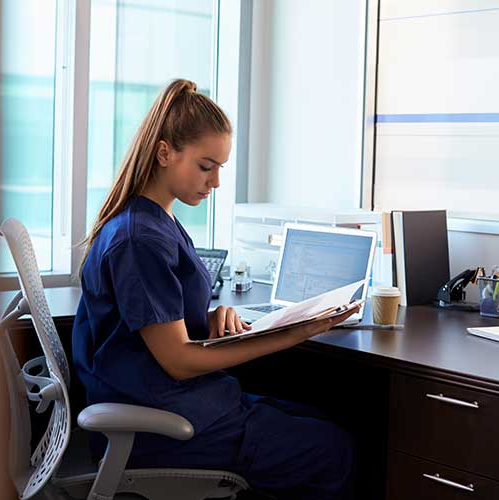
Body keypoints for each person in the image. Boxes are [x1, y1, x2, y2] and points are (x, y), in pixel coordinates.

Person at [72, 79, 357, 500]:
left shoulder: (156, 221)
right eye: (207, 167)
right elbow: (178, 361)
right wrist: (291, 333)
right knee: (334, 449)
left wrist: (207, 318)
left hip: (182, 405)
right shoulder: (140, 238)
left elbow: (149, 323)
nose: (216, 183)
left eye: (220, 168)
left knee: (322, 418)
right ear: (165, 153)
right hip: (160, 427)